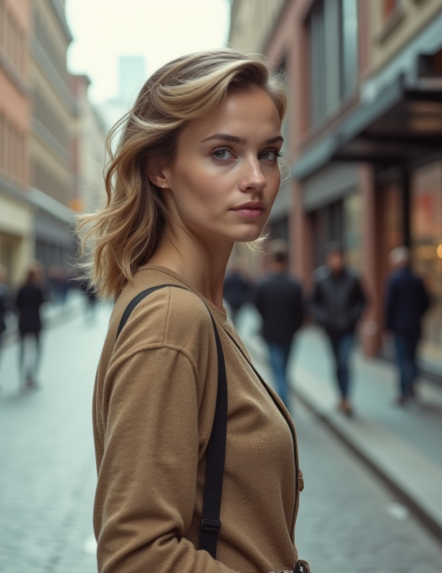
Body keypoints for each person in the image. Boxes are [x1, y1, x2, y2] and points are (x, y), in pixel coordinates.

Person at [76, 50, 308, 573]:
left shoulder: (198, 307)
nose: (256, 178)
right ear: (161, 168)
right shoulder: (172, 319)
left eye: (268, 153)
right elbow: (137, 557)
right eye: (223, 153)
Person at [311, 242, 367, 417]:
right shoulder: (320, 278)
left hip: (348, 329)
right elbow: (312, 302)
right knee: (337, 363)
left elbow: (363, 300)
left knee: (344, 361)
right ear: (327, 260)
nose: (335, 261)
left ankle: (346, 398)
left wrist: (353, 316)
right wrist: (322, 317)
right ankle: (341, 397)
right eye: (332, 258)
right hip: (330, 329)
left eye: (338, 257)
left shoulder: (353, 278)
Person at [253, 241, 304, 409]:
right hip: (289, 334)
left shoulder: (263, 284)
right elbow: (302, 311)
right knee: (284, 369)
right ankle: (284, 403)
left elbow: (257, 306)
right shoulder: (295, 284)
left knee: (278, 371)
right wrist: (295, 327)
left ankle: (283, 407)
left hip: (271, 334)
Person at [384, 246, 431, 406]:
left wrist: (388, 326)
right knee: (413, 358)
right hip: (415, 325)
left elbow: (389, 305)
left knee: (402, 359)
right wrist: (418, 315)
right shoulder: (417, 280)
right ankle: (412, 386)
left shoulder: (393, 280)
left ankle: (404, 392)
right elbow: (427, 302)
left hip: (399, 327)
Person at [15, 264, 46, 390]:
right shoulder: (38, 289)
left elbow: (16, 304)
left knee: (22, 349)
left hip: (23, 321)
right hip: (36, 321)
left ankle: (22, 376)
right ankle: (32, 375)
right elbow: (42, 302)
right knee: (38, 350)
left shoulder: (21, 288)